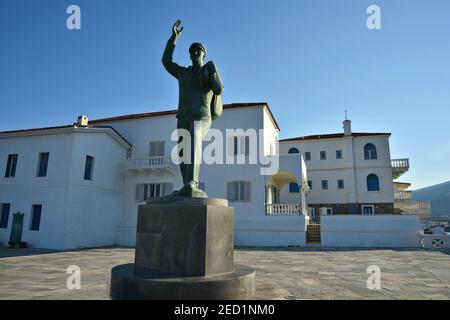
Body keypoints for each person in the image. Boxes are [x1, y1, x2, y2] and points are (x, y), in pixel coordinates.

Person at [162, 20, 224, 197]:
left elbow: (219, 89)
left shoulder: (207, 70)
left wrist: (212, 70)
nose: (196, 52)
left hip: (202, 115)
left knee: (195, 138)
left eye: (199, 50)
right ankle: (186, 186)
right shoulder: (183, 73)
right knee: (182, 151)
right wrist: (173, 39)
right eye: (193, 50)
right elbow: (166, 61)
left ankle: (192, 182)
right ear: (189, 55)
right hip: (183, 116)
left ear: (203, 55)